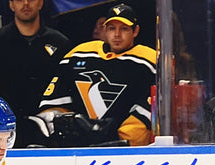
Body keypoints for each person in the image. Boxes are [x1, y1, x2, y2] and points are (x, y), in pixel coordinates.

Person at [32, 3, 156, 147]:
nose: (117, 34)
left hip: (120, 150)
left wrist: (121, 139)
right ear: (105, 29)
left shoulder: (149, 62)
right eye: (112, 28)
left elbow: (149, 108)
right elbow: (54, 104)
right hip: (77, 148)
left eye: (124, 29)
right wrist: (64, 127)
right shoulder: (79, 54)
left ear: (135, 31)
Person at [0, 0, 72, 147]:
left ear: (41, 3)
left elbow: (68, 92)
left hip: (50, 135)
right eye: (19, 0)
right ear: (11, 4)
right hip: (4, 134)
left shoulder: (61, 44)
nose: (26, 3)